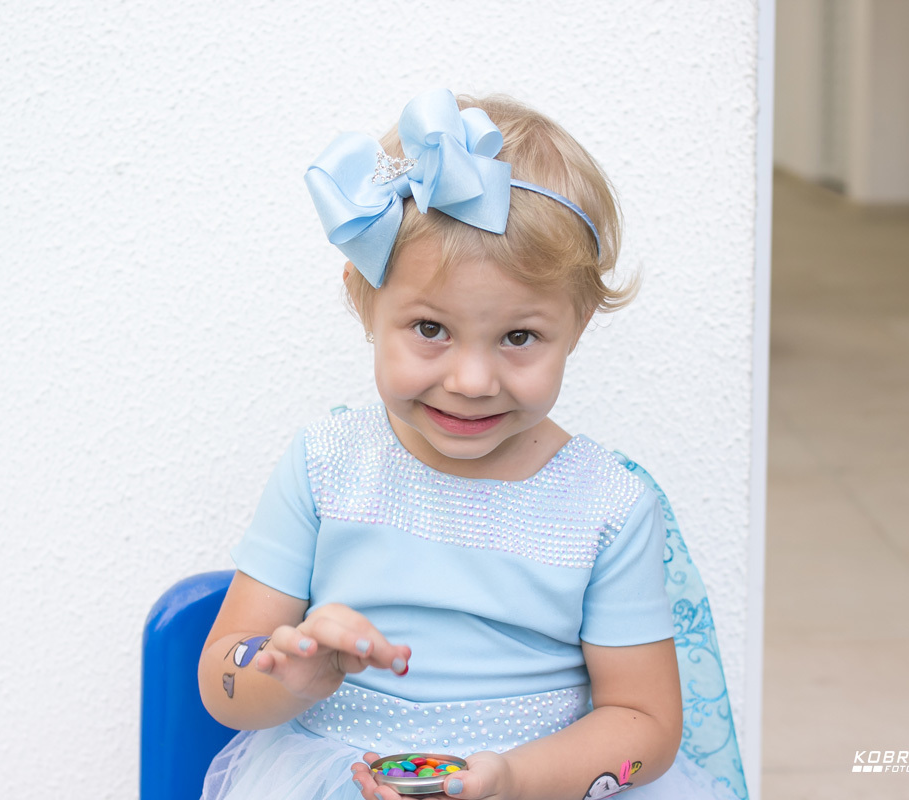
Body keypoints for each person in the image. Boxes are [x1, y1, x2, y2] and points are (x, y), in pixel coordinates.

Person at [197, 89, 733, 800]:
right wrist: (285, 673)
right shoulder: (326, 465)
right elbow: (221, 682)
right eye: (429, 328)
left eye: (519, 337)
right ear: (365, 299)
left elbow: (648, 731)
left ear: (576, 328)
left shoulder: (607, 506)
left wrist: (518, 780)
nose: (473, 380)